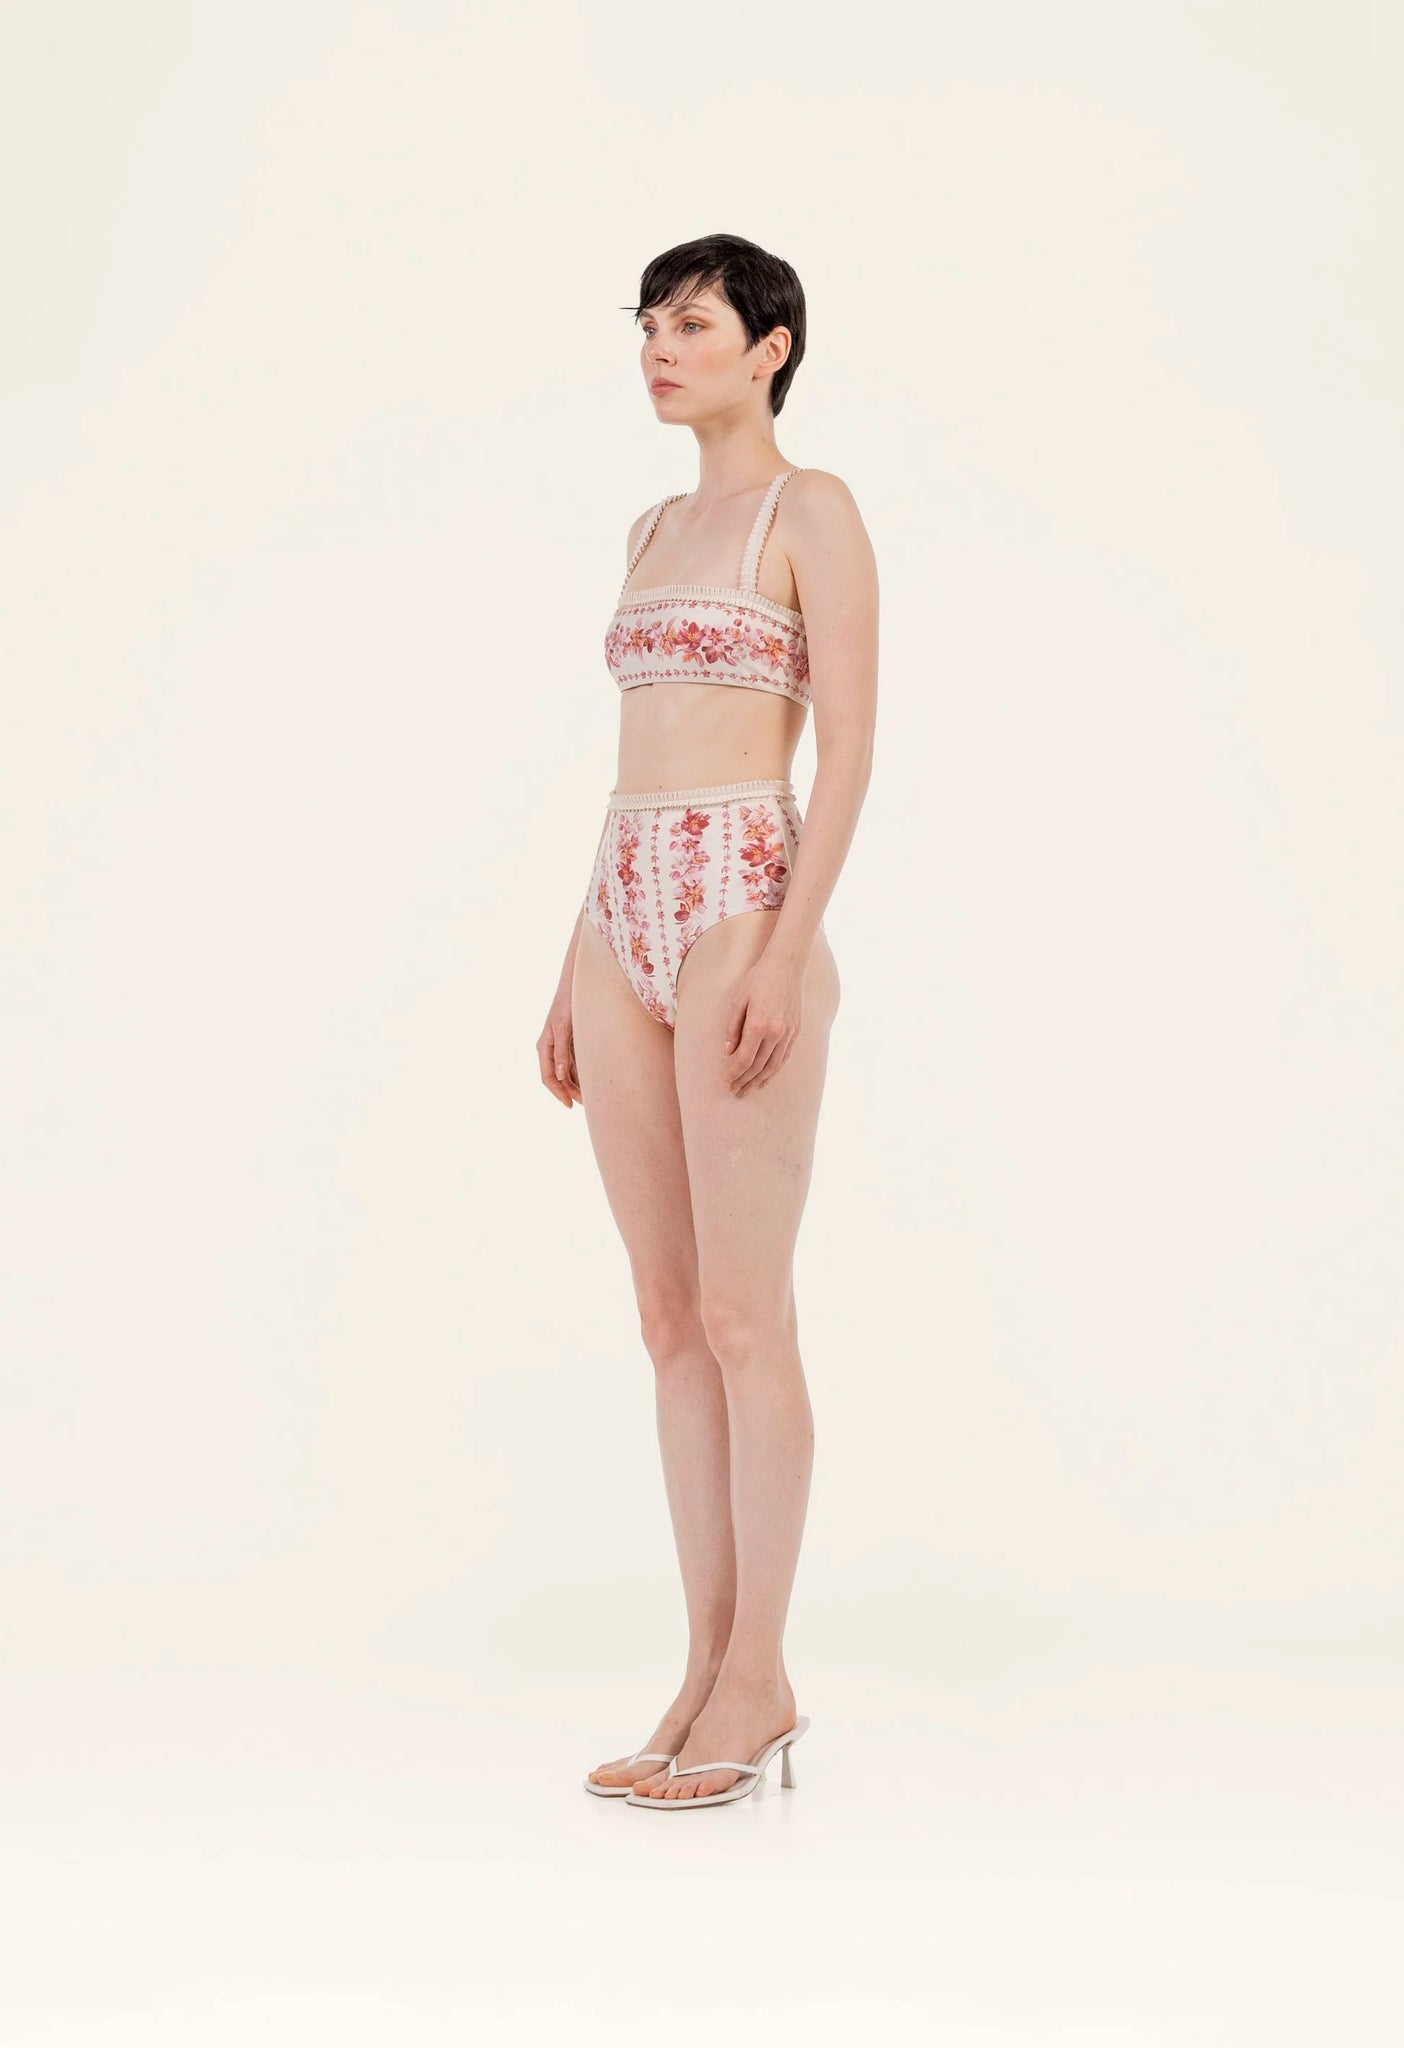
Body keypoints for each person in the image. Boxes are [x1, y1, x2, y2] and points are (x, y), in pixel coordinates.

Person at [537, 234, 878, 1808]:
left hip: (746, 894)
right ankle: (703, 1665)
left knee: (746, 1317)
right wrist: (571, 959)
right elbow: (635, 760)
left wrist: (785, 955)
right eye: (650, 327)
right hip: (620, 908)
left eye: (692, 325)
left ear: (770, 347)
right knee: (667, 1318)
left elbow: (849, 751)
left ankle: (765, 1675)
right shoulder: (653, 526)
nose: (660, 351)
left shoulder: (813, 512)